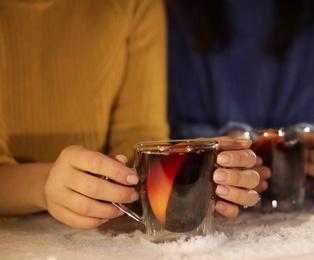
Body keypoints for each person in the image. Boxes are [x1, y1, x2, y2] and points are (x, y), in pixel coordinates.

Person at [0, 0, 260, 229]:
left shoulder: (135, 4)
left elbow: (137, 145)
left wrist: (191, 175)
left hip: (94, 240)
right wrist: (42, 185)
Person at [165, 0, 314, 203]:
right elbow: (163, 133)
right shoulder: (178, 12)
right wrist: (211, 153)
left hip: (304, 211)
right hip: (208, 210)